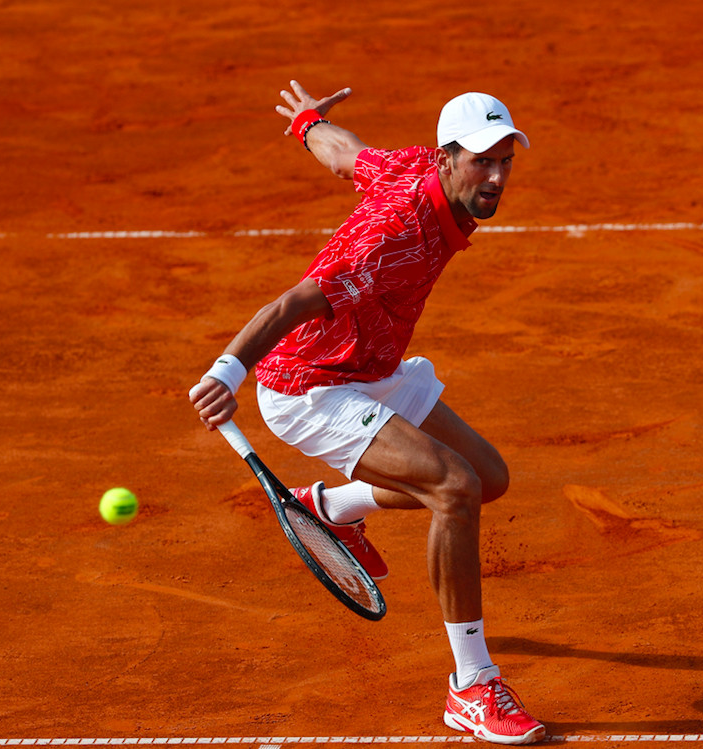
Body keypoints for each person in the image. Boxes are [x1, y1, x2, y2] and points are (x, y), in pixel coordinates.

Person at [189, 80, 546, 746]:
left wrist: (305, 123)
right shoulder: (391, 233)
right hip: (311, 386)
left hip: (372, 367)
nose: (495, 176)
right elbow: (293, 303)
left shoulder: (414, 165)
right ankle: (471, 685)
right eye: (481, 161)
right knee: (455, 486)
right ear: (447, 158)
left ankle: (335, 508)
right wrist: (226, 369)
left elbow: (346, 153)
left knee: (488, 475)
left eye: (505, 160)